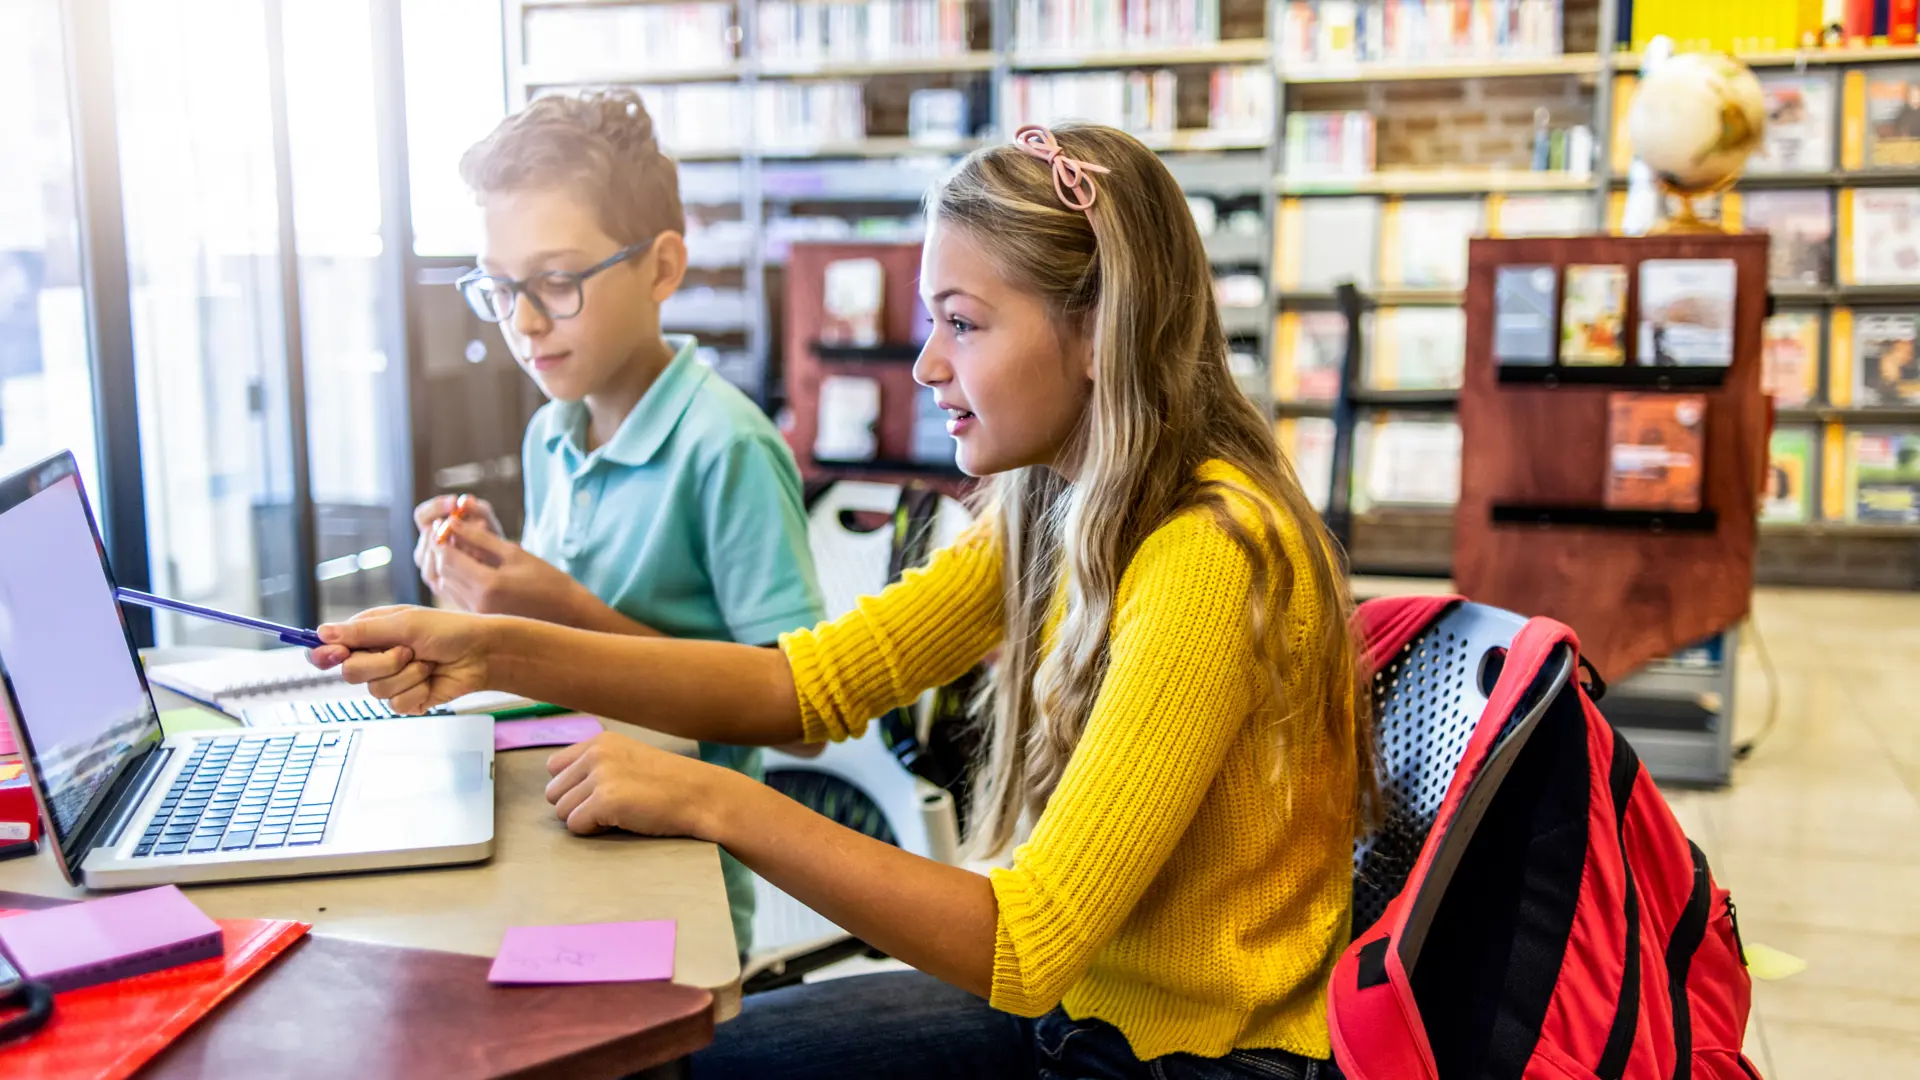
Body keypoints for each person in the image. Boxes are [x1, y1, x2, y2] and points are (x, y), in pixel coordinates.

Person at [314, 123, 1375, 1079]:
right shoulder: (1057, 506)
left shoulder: (1205, 555)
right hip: (1082, 1016)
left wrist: (711, 801)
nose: (924, 364)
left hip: (1174, 1066)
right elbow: (803, 683)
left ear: (1099, 332)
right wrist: (494, 651)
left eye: (963, 323)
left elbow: (1024, 939)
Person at [412, 89, 825, 956]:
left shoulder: (728, 448)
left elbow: (799, 714)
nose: (523, 323)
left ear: (662, 269)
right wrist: (492, 572)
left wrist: (552, 606)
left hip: (670, 872)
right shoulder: (550, 433)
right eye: (501, 287)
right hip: (558, 816)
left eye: (558, 282)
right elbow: (564, 641)